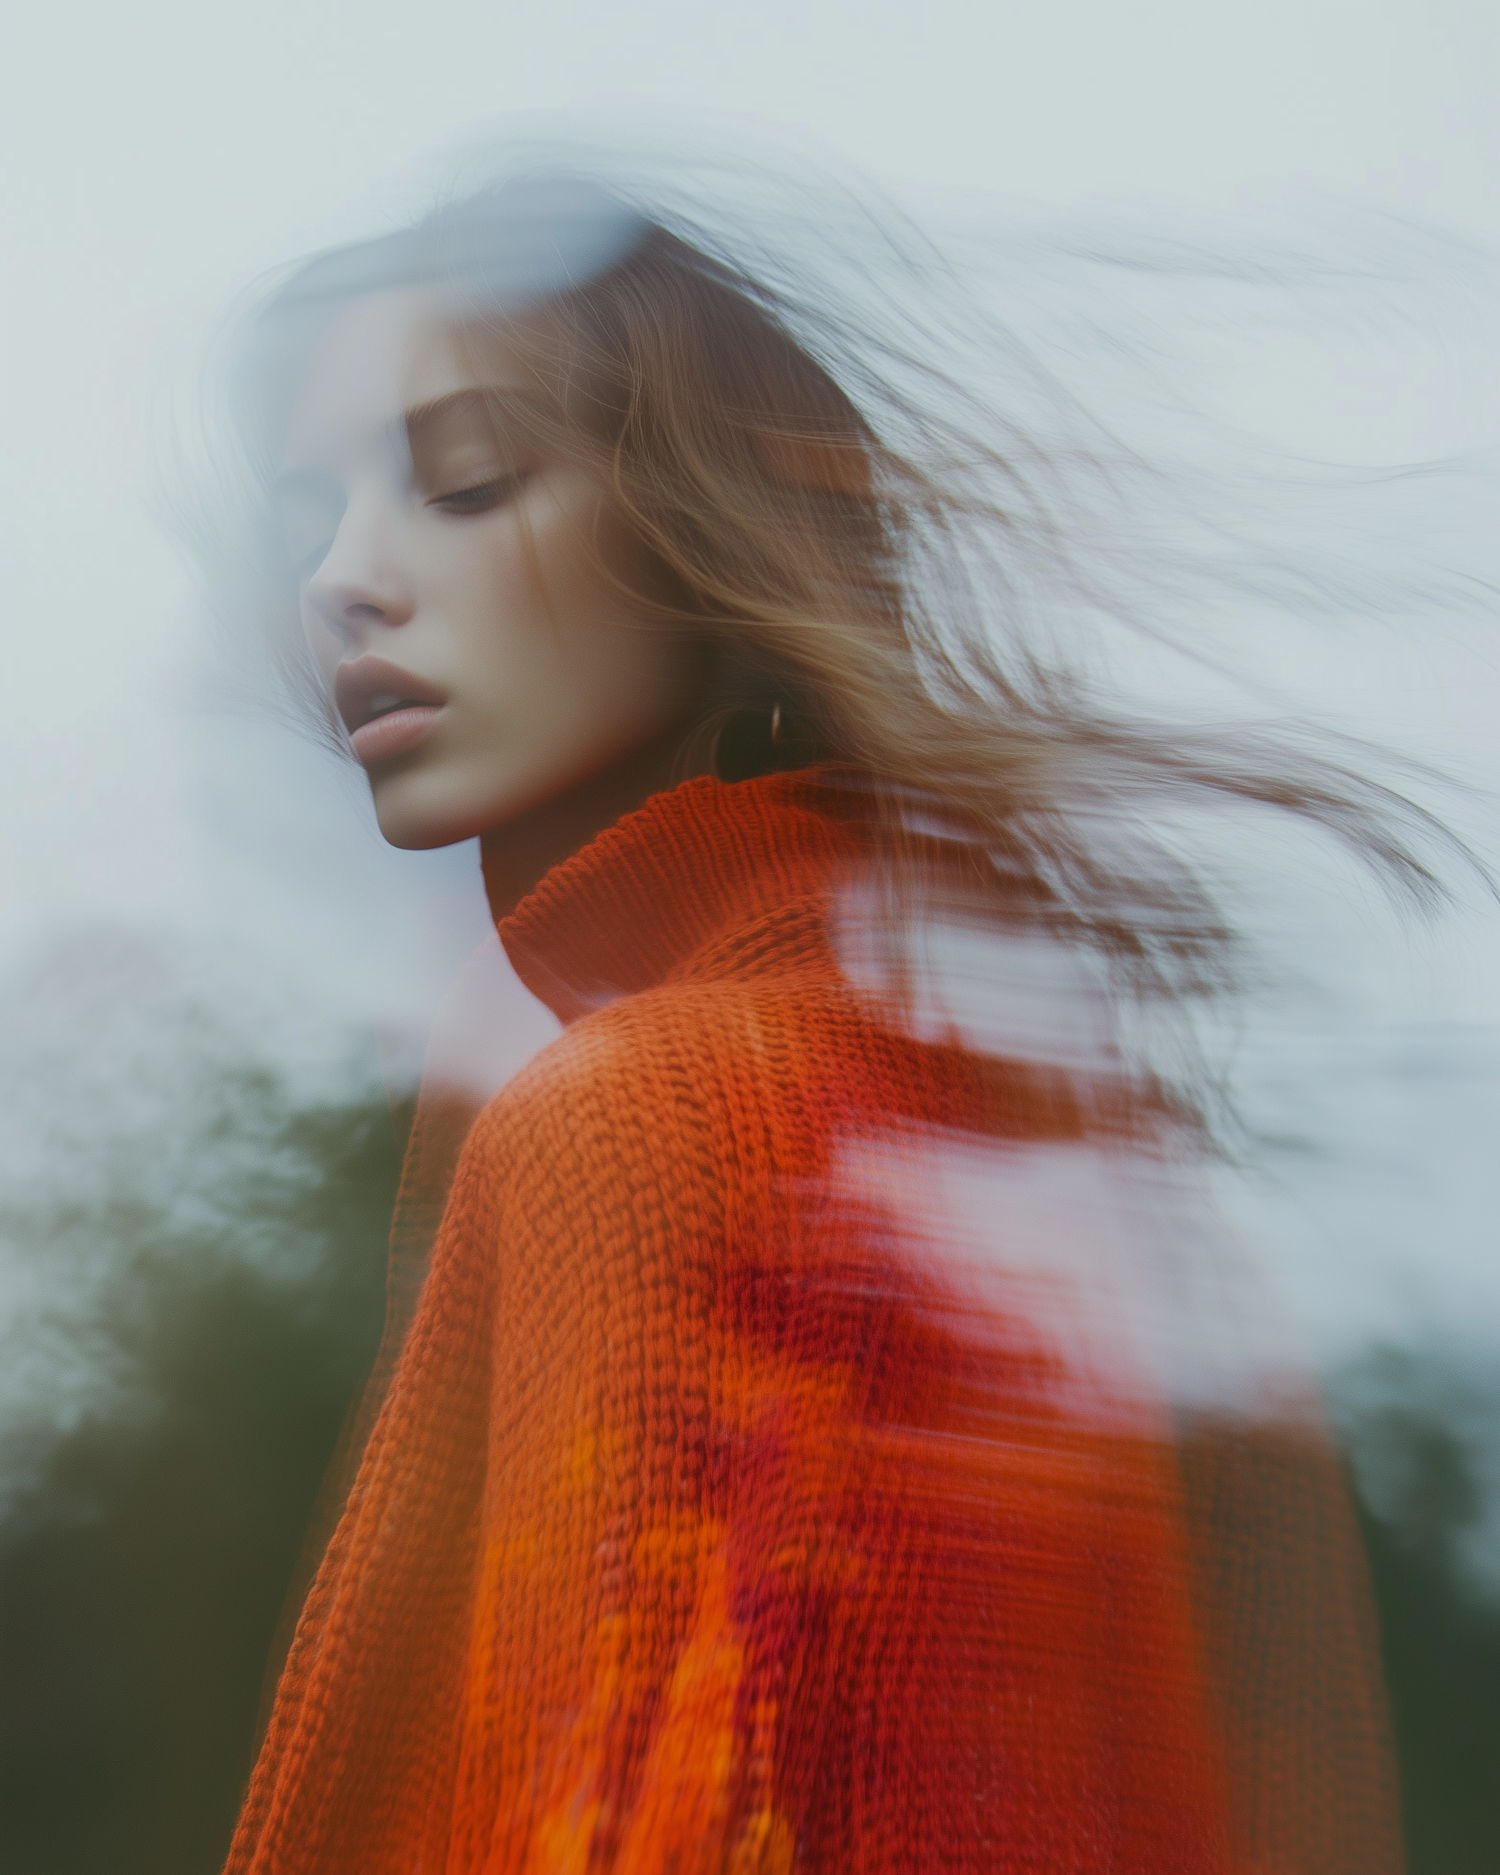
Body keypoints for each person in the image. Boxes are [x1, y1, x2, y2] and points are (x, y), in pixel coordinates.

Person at [214, 168, 1407, 1874]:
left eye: (464, 478)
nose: (341, 579)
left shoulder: (641, 1118)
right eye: (304, 521)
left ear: (693, 528)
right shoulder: (1083, 1181)